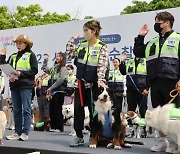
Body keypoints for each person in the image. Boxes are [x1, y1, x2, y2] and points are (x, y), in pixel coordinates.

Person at [133, 11, 180, 153]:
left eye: (158, 21)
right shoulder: (152, 41)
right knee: (159, 115)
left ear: (167, 23)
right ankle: (162, 142)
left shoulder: (178, 38)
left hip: (172, 82)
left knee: (172, 115)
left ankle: (173, 143)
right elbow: (138, 52)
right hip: (155, 82)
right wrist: (140, 37)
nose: (156, 24)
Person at [66, 20, 109, 147]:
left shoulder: (102, 46)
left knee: (93, 111)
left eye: (86, 31)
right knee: (78, 110)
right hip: (80, 83)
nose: (83, 33)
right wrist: (71, 41)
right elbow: (69, 55)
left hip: (94, 84)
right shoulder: (81, 45)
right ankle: (79, 136)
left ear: (93, 31)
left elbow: (102, 65)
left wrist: (100, 80)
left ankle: (93, 136)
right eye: (83, 30)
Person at [0, 34, 38, 141]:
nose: (18, 45)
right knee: (16, 110)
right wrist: (2, 56)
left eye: (20, 43)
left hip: (26, 85)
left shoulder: (31, 55)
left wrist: (20, 74)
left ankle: (25, 132)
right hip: (14, 85)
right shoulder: (13, 56)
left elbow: (34, 70)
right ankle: (17, 132)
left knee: (26, 109)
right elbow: (4, 66)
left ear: (26, 44)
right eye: (17, 43)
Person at [42, 52, 67, 132]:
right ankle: (53, 126)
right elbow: (46, 69)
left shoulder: (63, 68)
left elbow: (61, 80)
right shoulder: (54, 67)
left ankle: (59, 127)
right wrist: (45, 61)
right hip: (53, 92)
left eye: (59, 56)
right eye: (57, 56)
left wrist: (51, 88)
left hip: (59, 91)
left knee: (58, 110)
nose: (57, 58)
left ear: (63, 58)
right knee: (52, 109)